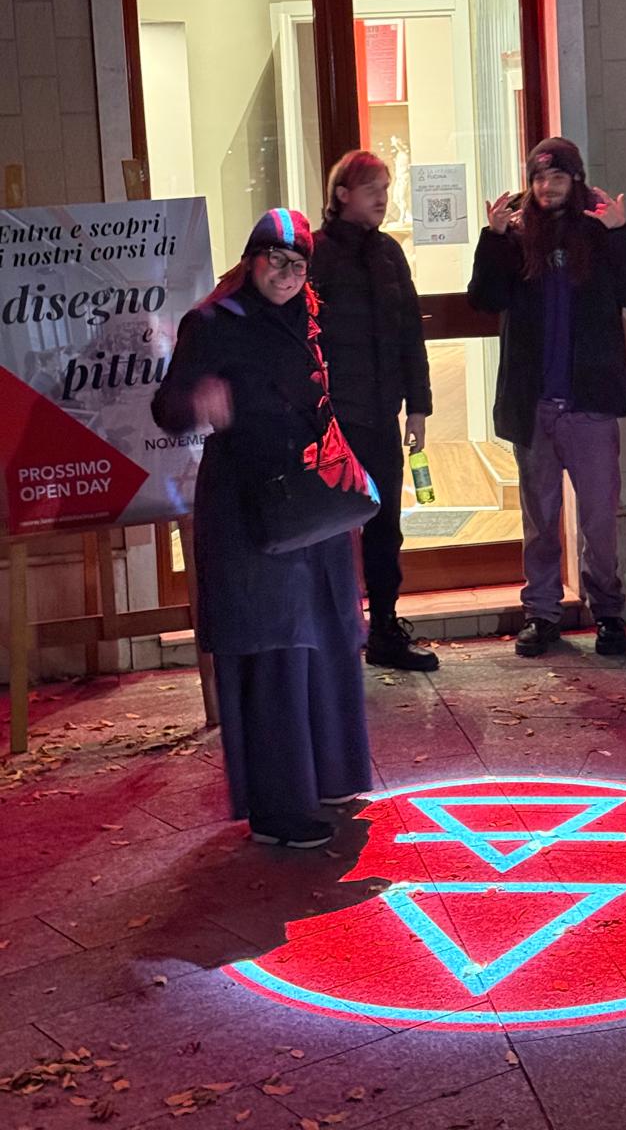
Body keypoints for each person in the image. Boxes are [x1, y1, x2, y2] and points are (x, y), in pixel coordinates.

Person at [152, 210, 372, 847]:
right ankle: (279, 808)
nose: (285, 273)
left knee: (326, 636)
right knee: (274, 649)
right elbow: (167, 407)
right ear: (251, 260)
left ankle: (330, 776)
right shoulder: (214, 322)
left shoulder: (309, 319)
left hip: (312, 503)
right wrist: (197, 402)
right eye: (274, 259)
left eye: (297, 264)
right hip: (248, 509)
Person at [468, 137, 626, 658]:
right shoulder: (516, 234)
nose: (546, 187)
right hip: (533, 406)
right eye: (538, 178)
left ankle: (608, 613)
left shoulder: (598, 231)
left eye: (557, 177)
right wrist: (493, 237)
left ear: (575, 180)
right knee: (539, 520)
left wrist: (621, 232)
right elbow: (484, 298)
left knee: (599, 520)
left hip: (589, 405)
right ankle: (542, 613)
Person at [309, 151, 437, 672]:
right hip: (332, 420)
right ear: (342, 194)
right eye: (372, 189)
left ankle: (384, 628)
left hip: (382, 414)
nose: (383, 198)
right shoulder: (315, 254)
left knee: (385, 528)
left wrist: (418, 408)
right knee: (329, 530)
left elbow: (410, 333)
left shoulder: (388, 253)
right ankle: (331, 635)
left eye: (385, 187)